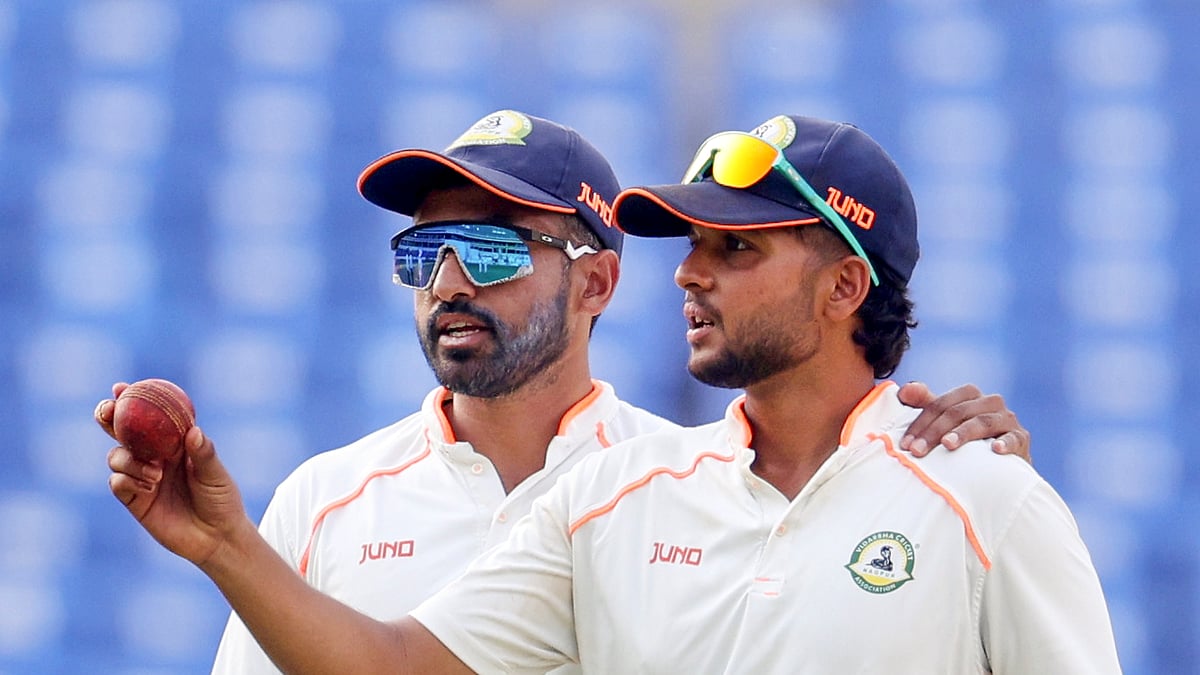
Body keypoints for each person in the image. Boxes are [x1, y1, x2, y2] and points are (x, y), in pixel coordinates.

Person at [98, 113, 1063, 673]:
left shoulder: (648, 484)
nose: (447, 283)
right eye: (421, 252)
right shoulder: (632, 495)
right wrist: (228, 546)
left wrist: (966, 478)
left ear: (596, 283)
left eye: (486, 247)